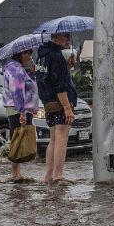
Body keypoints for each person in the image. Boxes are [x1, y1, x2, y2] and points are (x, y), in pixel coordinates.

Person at [36, 32, 78, 184]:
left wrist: (67, 66)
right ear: (55, 38)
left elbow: (47, 77)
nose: (68, 40)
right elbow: (60, 85)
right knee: (61, 139)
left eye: (69, 37)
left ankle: (48, 176)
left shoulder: (42, 55)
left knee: (53, 139)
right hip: (60, 102)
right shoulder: (56, 56)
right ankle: (58, 176)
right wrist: (67, 107)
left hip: (48, 103)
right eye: (65, 37)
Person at [1, 49, 39, 181]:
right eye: (27, 54)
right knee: (17, 138)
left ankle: (16, 173)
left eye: (30, 54)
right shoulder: (15, 70)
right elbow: (17, 92)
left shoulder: (18, 69)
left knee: (18, 137)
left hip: (19, 109)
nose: (29, 57)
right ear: (20, 54)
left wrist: (33, 74)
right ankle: (15, 173)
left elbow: (26, 87)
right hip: (17, 109)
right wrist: (22, 112)